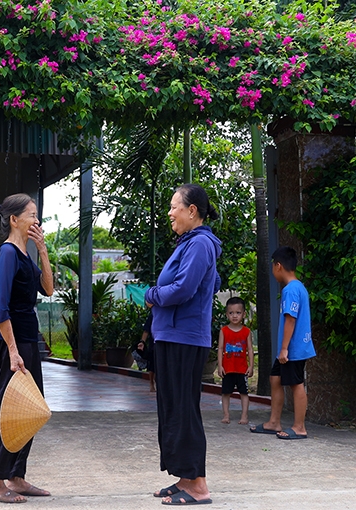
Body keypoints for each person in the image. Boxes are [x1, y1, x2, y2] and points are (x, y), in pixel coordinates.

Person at [145, 183, 221, 505]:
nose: (170, 212)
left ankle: (198, 485)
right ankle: (185, 478)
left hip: (184, 338)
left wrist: (151, 295)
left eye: (175, 206)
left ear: (192, 211)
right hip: (173, 336)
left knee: (184, 411)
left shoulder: (201, 243)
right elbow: (211, 282)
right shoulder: (190, 243)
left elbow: (183, 289)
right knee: (174, 409)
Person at [0, 193, 54, 503]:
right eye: (31, 215)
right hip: (12, 342)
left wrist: (42, 250)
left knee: (30, 411)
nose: (37, 221)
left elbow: (49, 289)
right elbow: (0, 308)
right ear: (14, 220)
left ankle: (16, 476)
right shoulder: (8, 254)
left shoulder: (25, 254)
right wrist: (13, 351)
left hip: (27, 340)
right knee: (10, 412)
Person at [249, 246, 315, 440]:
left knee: (296, 384)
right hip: (288, 349)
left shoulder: (291, 290)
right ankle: (274, 422)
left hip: (292, 349)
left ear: (278, 266)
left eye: (272, 266)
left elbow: (290, 319)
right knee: (275, 379)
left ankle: (299, 427)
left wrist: (284, 348)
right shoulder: (297, 287)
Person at [217, 296, 253, 425]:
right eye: (231, 313)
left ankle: (244, 416)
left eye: (238, 313)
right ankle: (226, 415)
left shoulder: (247, 331)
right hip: (228, 368)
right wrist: (220, 366)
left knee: (244, 393)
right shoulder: (224, 331)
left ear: (243, 314)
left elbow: (250, 349)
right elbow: (220, 348)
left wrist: (251, 366)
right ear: (227, 314)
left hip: (242, 368)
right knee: (226, 392)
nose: (234, 316)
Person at [133, 311, 157, 392]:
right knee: (152, 365)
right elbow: (146, 331)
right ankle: (151, 382)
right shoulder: (153, 315)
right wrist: (142, 342)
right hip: (153, 344)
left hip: (164, 344)